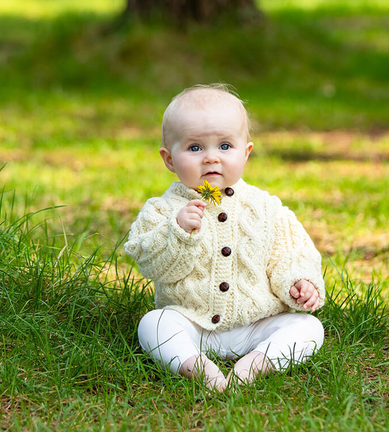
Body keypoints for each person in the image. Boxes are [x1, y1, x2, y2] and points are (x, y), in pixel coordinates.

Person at [124, 84, 325, 392]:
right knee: (153, 325)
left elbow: (291, 253)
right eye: (194, 148)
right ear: (169, 160)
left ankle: (257, 364)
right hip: (191, 322)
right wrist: (176, 232)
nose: (211, 158)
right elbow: (151, 263)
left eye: (225, 146)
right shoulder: (163, 210)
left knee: (309, 328)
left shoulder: (266, 207)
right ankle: (195, 366)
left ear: (246, 153)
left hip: (257, 324)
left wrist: (299, 282)